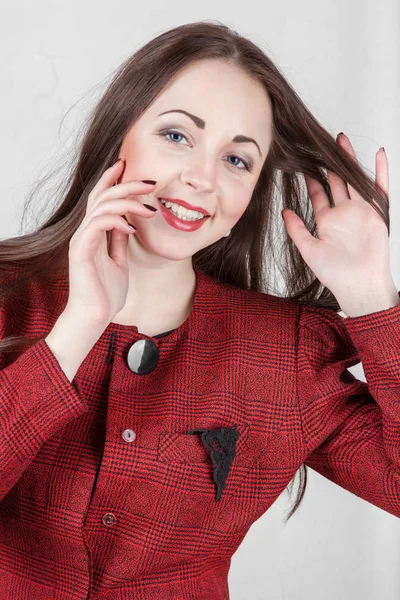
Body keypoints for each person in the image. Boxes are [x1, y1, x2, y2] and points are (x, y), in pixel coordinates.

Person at [0, 20, 399, 600]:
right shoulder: (10, 297)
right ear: (120, 135)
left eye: (237, 161)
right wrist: (75, 331)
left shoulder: (281, 354)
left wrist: (370, 297)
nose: (200, 179)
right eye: (177, 136)